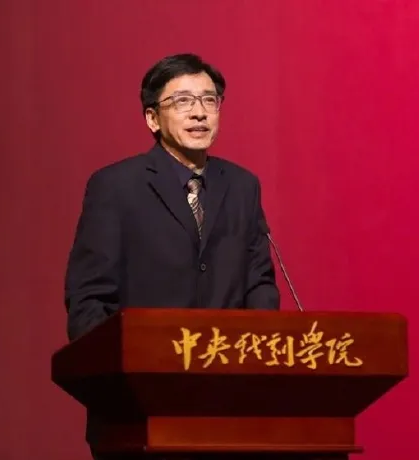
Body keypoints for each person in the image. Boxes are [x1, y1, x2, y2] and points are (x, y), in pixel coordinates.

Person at [63, 53, 280, 459]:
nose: (199, 112)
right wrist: (123, 382)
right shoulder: (115, 186)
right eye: (182, 101)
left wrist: (255, 365)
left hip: (228, 407)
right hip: (139, 411)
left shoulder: (243, 186)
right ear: (152, 118)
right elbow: (89, 300)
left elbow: (260, 284)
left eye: (209, 100)